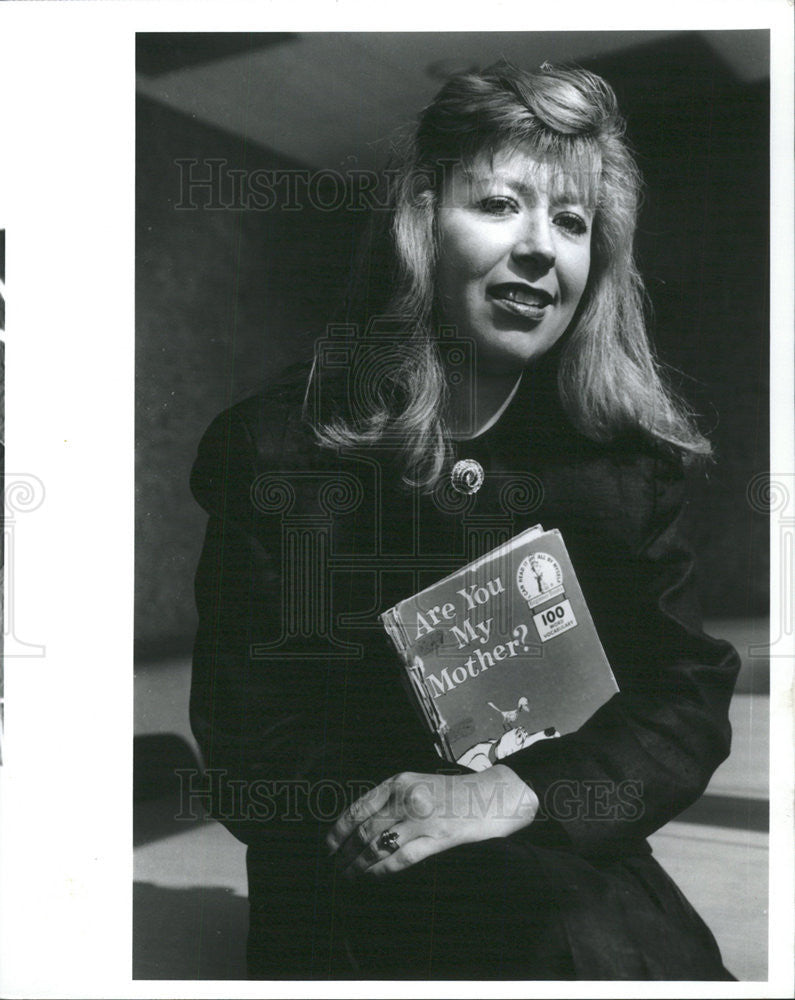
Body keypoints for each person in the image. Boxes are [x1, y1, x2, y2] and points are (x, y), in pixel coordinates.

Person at [189, 62, 740, 980]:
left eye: (571, 222)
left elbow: (683, 693)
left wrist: (515, 794)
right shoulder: (274, 448)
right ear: (417, 224)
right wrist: (424, 808)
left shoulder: (622, 465)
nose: (540, 248)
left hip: (554, 828)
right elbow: (253, 737)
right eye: (497, 205)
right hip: (357, 857)